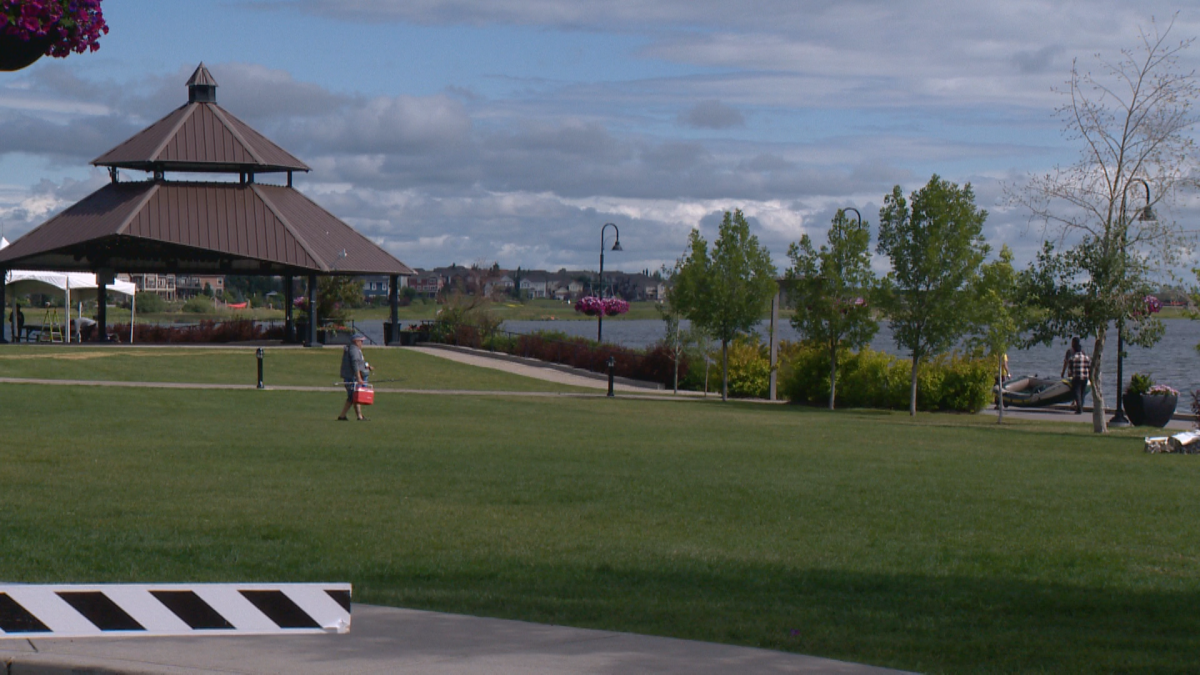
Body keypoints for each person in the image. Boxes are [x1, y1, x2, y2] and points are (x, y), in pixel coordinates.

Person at [338, 334, 370, 421]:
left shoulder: (354, 349)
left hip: (353, 377)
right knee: (352, 397)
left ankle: (359, 416)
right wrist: (359, 378)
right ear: (356, 341)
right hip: (352, 378)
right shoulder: (354, 350)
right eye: (361, 341)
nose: (362, 343)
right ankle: (342, 416)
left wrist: (367, 367)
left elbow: (359, 363)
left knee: (355, 397)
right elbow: (355, 364)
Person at [1068, 339, 1091, 415]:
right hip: (1085, 377)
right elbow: (1089, 368)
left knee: (1077, 392)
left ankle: (1079, 407)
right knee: (1082, 393)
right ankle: (1081, 407)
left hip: (1076, 377)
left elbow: (1070, 370)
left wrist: (1070, 375)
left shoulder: (1073, 358)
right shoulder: (1087, 358)